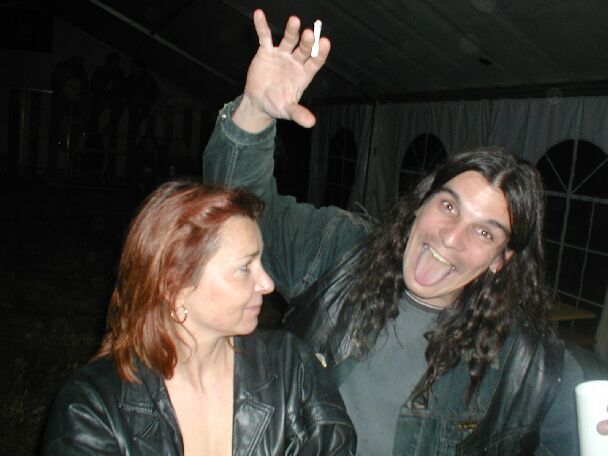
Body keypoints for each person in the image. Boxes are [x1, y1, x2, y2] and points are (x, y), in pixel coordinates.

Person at [203, 9, 608, 455]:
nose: (450, 238)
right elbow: (237, 213)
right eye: (449, 206)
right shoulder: (339, 253)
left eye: (484, 233)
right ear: (421, 202)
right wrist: (255, 112)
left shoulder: (522, 364)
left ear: (501, 260)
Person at [40, 179, 356, 455]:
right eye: (244, 267)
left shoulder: (290, 370)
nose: (267, 283)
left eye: (261, 261)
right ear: (174, 286)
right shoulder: (94, 406)